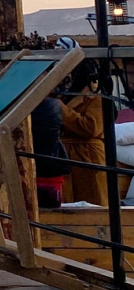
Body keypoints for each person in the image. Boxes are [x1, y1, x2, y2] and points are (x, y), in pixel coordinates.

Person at [59, 63, 108, 206]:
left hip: (87, 157)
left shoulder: (96, 99)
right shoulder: (63, 97)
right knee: (67, 205)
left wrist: (62, 109)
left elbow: (91, 128)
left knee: (93, 203)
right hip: (65, 155)